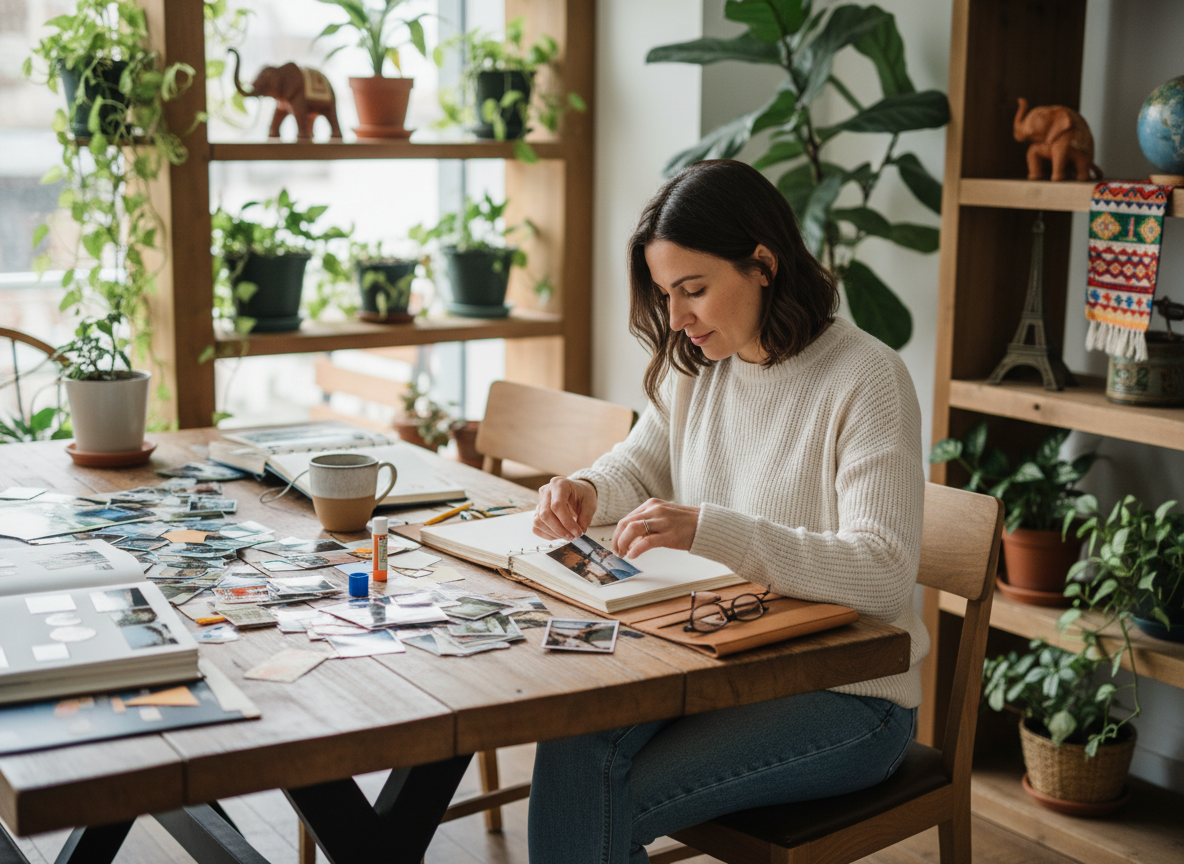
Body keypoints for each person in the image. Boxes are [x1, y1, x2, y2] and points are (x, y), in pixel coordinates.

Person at [527, 159, 928, 864]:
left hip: (849, 694)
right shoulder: (701, 366)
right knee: (573, 735)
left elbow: (885, 573)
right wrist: (587, 489)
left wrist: (715, 530)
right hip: (723, 656)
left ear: (763, 265)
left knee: (603, 794)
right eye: (665, 294)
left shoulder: (868, 378)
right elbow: (638, 463)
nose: (677, 319)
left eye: (694, 291)